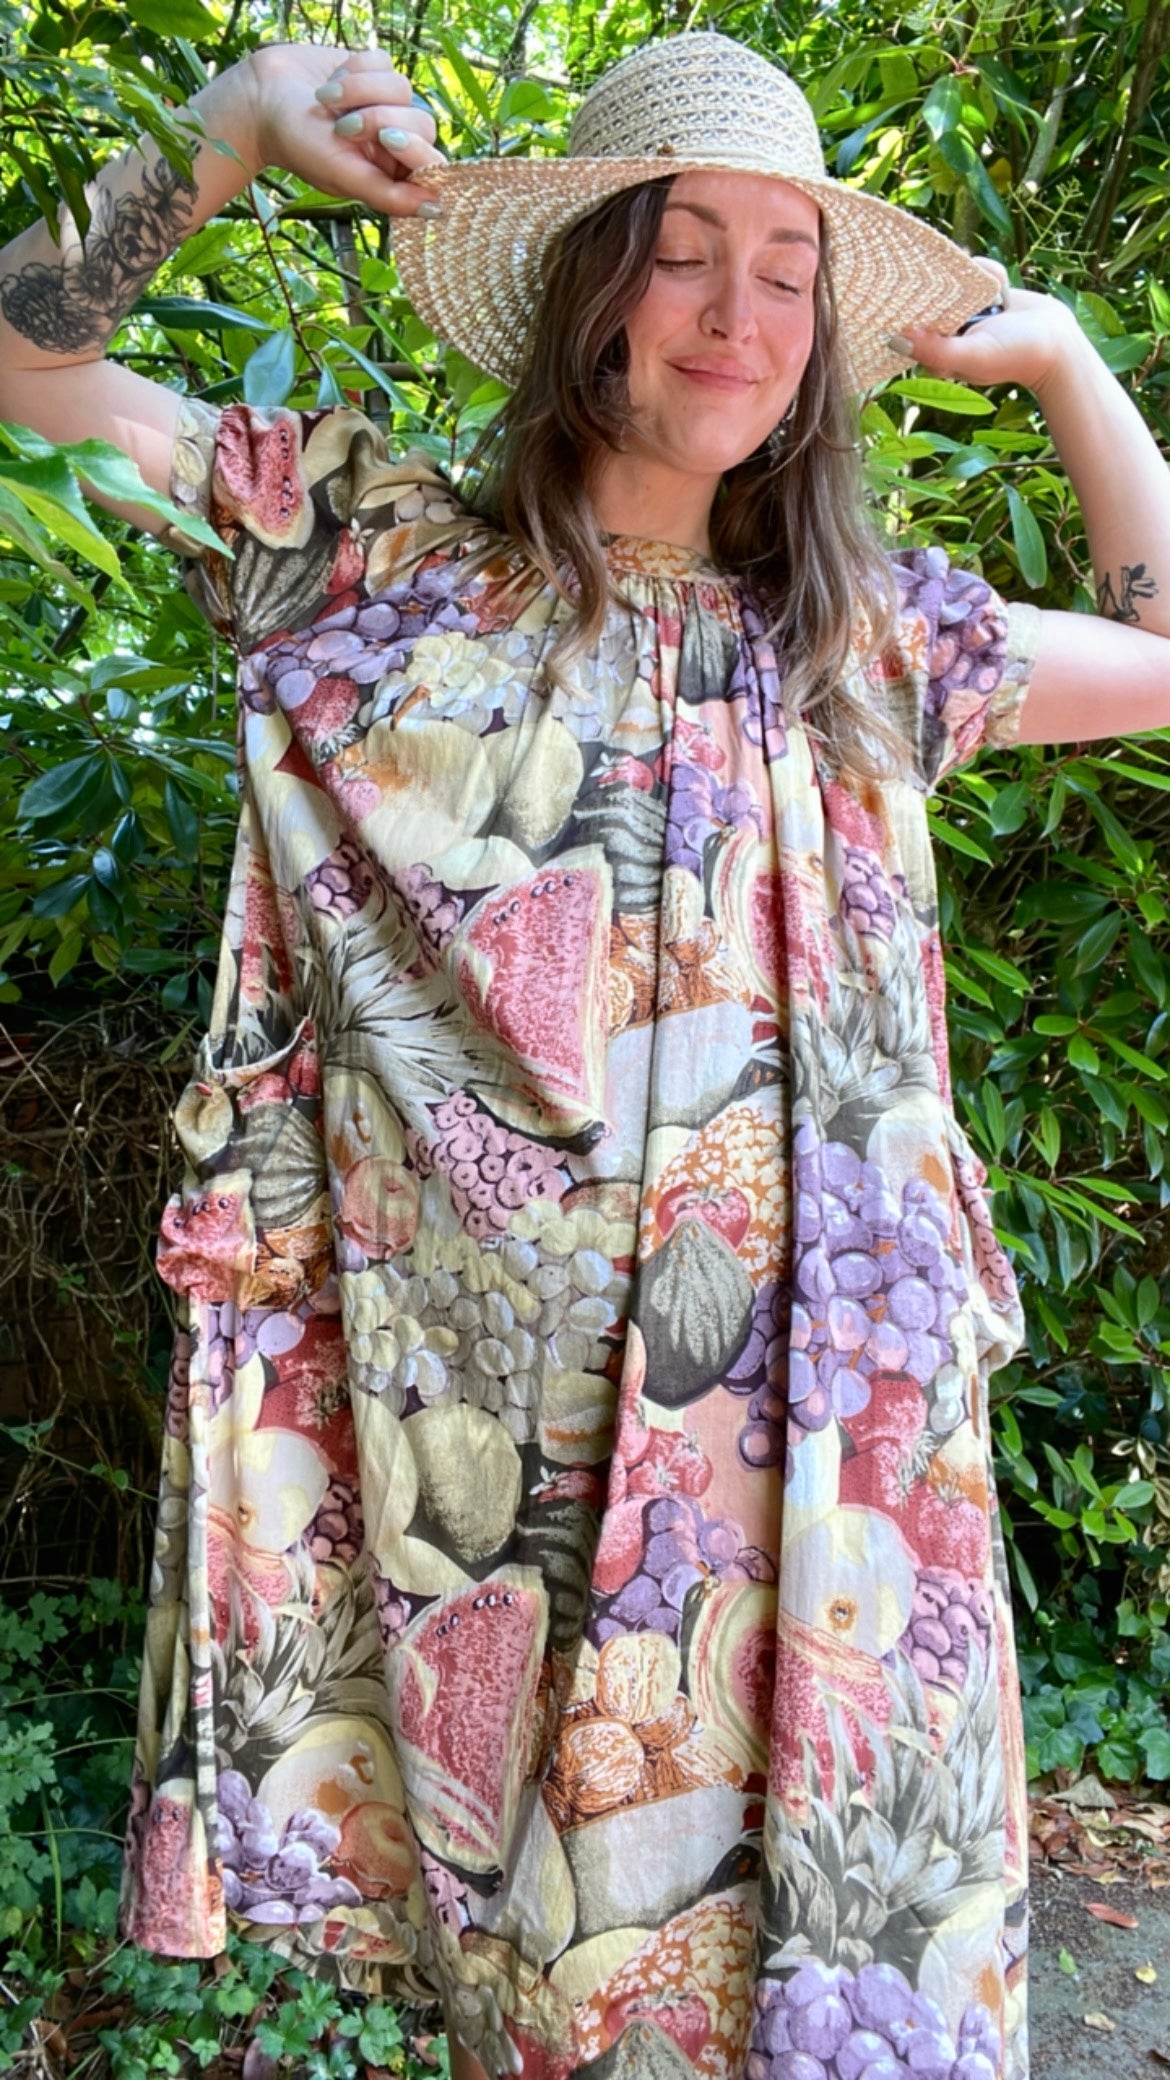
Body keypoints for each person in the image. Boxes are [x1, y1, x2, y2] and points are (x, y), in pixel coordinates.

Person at [2, 27, 1168, 2080]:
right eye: (682, 251)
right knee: (552, 2014)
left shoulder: (870, 644)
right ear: (583, 292)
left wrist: (1072, 365)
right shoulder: (375, 574)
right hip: (495, 1498)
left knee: (850, 1984)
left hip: (832, 1481)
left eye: (789, 271)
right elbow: (24, 369)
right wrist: (227, 128)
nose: (738, 313)